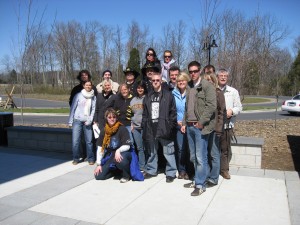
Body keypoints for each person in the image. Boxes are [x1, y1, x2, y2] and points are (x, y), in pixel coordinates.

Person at [181, 61, 216, 196]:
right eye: (190, 71)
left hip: (200, 127)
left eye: (195, 71)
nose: (193, 73)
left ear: (200, 71)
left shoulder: (207, 86)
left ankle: (201, 184)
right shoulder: (189, 86)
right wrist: (184, 122)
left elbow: (211, 106)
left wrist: (201, 122)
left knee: (201, 157)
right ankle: (197, 179)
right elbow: (187, 107)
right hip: (189, 126)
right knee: (193, 157)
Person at [142, 73, 178, 183]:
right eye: (153, 80)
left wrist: (170, 126)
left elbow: (173, 112)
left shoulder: (168, 95)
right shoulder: (148, 96)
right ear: (151, 82)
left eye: (158, 80)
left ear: (161, 81)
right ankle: (152, 170)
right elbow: (145, 114)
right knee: (152, 152)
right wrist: (145, 125)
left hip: (165, 128)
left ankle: (171, 172)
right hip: (151, 128)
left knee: (168, 152)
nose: (156, 82)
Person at [217, 69, 242, 179]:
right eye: (221, 75)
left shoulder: (233, 92)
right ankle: (213, 170)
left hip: (227, 126)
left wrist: (232, 111)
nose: (223, 77)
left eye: (225, 76)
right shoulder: (213, 89)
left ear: (227, 77)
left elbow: (239, 107)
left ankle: (224, 170)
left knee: (225, 149)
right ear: (217, 77)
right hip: (214, 126)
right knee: (213, 149)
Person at [94, 108, 132, 183]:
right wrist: (99, 164)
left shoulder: (122, 129)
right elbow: (100, 148)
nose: (112, 119)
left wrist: (118, 150)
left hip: (123, 153)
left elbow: (127, 145)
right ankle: (116, 172)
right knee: (99, 176)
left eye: (114, 117)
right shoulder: (104, 130)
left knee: (121, 160)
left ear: (116, 118)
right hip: (111, 155)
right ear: (106, 118)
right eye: (110, 117)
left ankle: (126, 175)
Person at [203, 73, 226, 186]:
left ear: (214, 81)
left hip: (214, 129)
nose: (208, 82)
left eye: (210, 80)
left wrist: (219, 128)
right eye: (206, 80)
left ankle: (214, 178)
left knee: (214, 154)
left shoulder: (218, 93)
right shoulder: (202, 93)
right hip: (204, 128)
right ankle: (206, 175)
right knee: (205, 154)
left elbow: (222, 113)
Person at [68, 80, 96, 165]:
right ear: (83, 86)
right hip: (77, 120)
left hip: (87, 122)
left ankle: (91, 158)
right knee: (76, 141)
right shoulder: (78, 95)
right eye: (86, 85)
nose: (88, 86)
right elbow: (73, 108)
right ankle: (76, 158)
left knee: (89, 141)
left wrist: (90, 120)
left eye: (89, 85)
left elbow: (93, 110)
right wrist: (70, 121)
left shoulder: (93, 97)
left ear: (91, 86)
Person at [172, 72, 190, 180]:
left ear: (186, 81)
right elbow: (170, 110)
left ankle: (190, 170)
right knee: (180, 149)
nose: (181, 82)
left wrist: (186, 122)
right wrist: (176, 121)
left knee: (190, 149)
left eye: (183, 80)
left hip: (190, 124)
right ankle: (181, 170)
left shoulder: (191, 93)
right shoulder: (173, 93)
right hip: (178, 125)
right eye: (179, 81)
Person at [130, 81, 148, 171]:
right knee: (139, 147)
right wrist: (131, 124)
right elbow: (130, 114)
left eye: (142, 88)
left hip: (145, 126)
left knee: (147, 147)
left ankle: (149, 165)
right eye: (138, 88)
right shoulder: (133, 100)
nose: (140, 89)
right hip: (136, 127)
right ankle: (142, 166)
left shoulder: (147, 98)